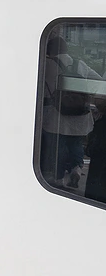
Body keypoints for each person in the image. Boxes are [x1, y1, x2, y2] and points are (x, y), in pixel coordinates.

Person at [41, 34, 101, 188]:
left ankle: (59, 178)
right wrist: (86, 96)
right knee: (76, 145)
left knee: (58, 148)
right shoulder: (80, 63)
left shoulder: (46, 64)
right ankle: (76, 169)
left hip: (56, 116)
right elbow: (98, 81)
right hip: (80, 116)